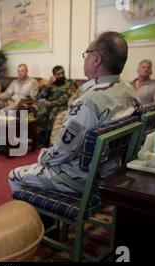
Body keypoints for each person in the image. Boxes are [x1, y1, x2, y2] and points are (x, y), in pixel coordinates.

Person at [9, 31, 140, 194]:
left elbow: (62, 152)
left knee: (14, 175)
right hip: (115, 171)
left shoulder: (89, 102)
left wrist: (42, 155)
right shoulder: (129, 91)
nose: (84, 58)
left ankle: (44, 218)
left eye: (86, 54)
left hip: (84, 177)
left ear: (97, 59)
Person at [35, 65, 77, 148]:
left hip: (62, 106)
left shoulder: (70, 83)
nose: (61, 75)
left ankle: (50, 142)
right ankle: (41, 140)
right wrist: (49, 85)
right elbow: (39, 98)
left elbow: (66, 98)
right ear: (54, 75)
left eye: (62, 73)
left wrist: (51, 103)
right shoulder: (52, 85)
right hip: (49, 105)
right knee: (41, 113)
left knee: (53, 114)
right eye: (58, 74)